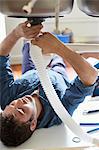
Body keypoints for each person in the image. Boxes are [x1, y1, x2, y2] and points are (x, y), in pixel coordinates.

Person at [0, 22, 98, 147]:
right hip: (57, 74)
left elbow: (1, 56)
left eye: (13, 104)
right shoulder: (60, 112)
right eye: (22, 110)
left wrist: (16, 33)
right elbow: (91, 76)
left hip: (31, 71)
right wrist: (57, 47)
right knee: (57, 59)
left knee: (28, 46)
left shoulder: (6, 98)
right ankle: (60, 37)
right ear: (33, 123)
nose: (19, 101)